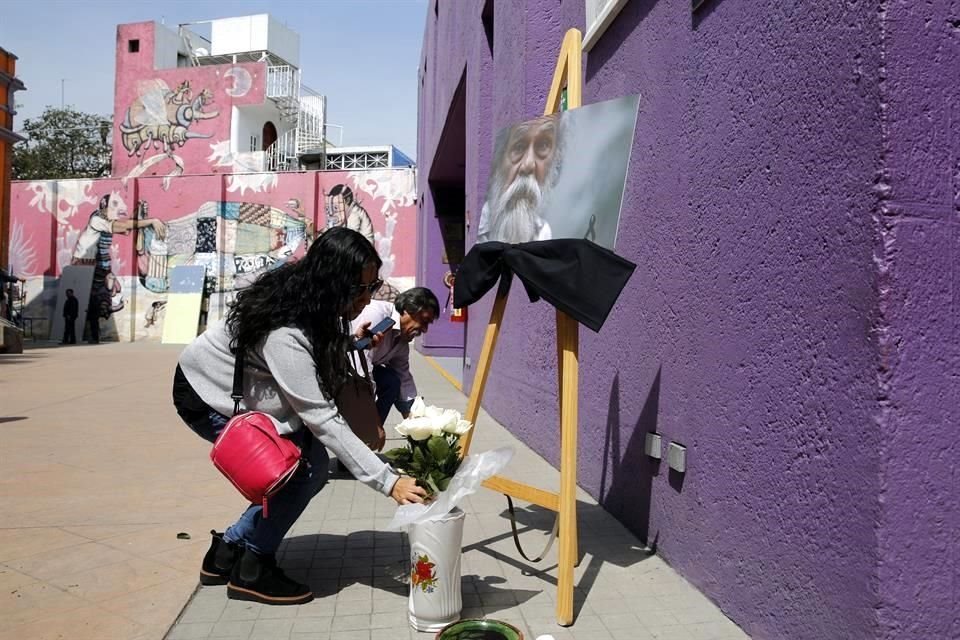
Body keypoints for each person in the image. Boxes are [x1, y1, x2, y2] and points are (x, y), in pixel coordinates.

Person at [172, 227, 426, 606]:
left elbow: (311, 356)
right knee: (301, 470)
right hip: (207, 392)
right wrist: (388, 481)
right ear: (331, 282)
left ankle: (226, 552)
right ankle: (252, 568)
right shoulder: (286, 328)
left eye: (372, 288)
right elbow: (321, 417)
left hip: (242, 385)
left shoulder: (312, 301)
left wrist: (352, 344)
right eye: (359, 289)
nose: (366, 299)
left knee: (308, 466)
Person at [72, 192, 166, 342]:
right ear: (104, 207)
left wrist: (138, 212)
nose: (116, 210)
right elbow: (123, 225)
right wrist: (151, 221)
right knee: (100, 295)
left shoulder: (107, 221)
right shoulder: (97, 219)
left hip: (101, 266)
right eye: (113, 206)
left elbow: (126, 228)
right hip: (86, 265)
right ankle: (83, 332)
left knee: (113, 289)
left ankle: (92, 331)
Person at [351, 287, 439, 425]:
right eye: (424, 321)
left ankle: (369, 433)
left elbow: (404, 378)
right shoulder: (378, 317)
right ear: (407, 310)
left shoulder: (401, 342)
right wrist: (371, 418)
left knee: (392, 380)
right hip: (339, 369)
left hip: (355, 372)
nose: (425, 329)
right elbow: (361, 369)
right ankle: (366, 429)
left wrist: (414, 419)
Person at [477, 114, 566, 244]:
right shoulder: (473, 229)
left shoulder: (543, 234)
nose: (528, 164)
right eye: (519, 147)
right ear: (497, 158)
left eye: (543, 145)